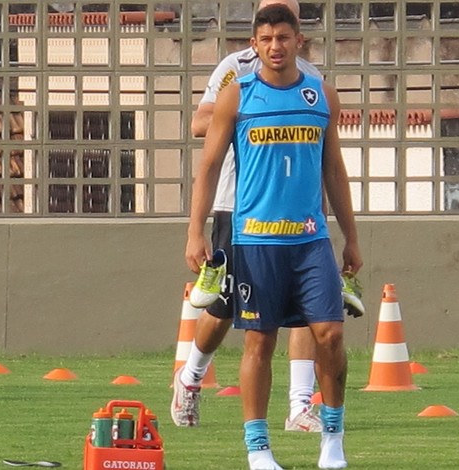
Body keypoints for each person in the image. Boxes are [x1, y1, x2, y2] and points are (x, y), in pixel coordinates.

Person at [185, 5, 362, 470]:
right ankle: (258, 449)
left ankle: (333, 439)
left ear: (298, 40)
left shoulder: (320, 94)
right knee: (258, 342)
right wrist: (195, 233)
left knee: (330, 334)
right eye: (266, 40)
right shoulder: (237, 96)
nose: (275, 47)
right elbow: (206, 167)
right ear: (255, 44)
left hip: (310, 240)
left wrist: (352, 237)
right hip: (254, 239)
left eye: (283, 38)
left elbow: (334, 169)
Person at [171, 0, 323, 432]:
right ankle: (191, 377)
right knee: (223, 308)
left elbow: (323, 153)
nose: (277, 38)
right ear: (256, 31)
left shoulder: (311, 77)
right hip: (237, 205)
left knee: (304, 309)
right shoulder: (235, 69)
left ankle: (299, 407)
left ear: (297, 28)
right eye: (268, 26)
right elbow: (200, 122)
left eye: (286, 20)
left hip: (295, 213)